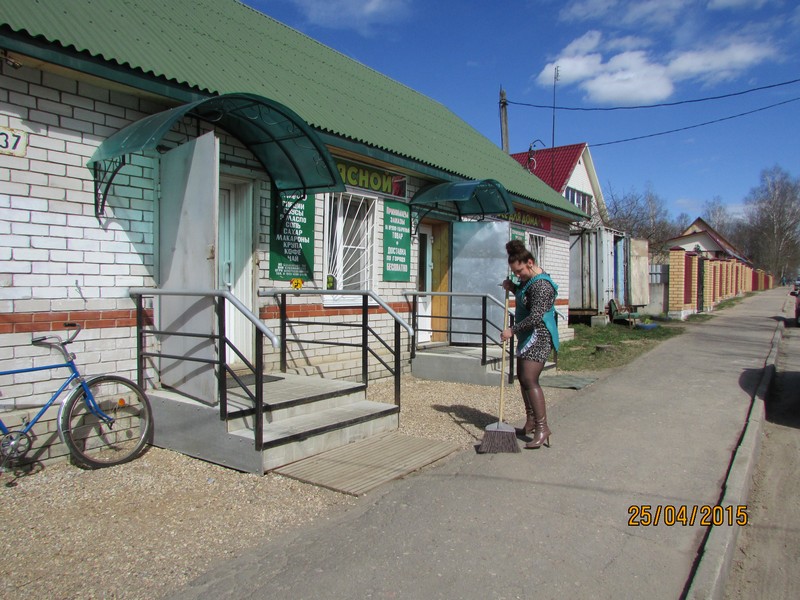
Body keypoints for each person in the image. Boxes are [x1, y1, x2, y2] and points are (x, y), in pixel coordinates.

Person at [500, 239, 559, 449]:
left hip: (539, 335)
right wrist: (513, 287)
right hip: (527, 336)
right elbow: (525, 297)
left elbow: (536, 316)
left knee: (529, 379)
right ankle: (531, 421)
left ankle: (543, 427)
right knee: (523, 379)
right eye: (515, 273)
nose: (518, 275)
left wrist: (512, 330)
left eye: (520, 271)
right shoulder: (528, 281)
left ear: (530, 263)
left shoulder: (542, 285)